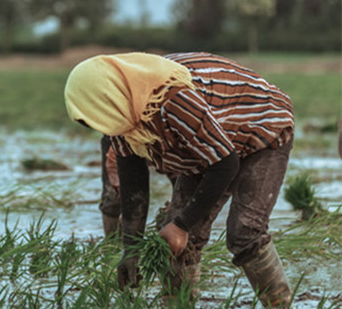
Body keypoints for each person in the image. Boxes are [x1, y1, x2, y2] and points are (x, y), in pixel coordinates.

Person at [64, 52, 294, 307]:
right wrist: (131, 248)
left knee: (244, 231)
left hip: (261, 131)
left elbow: (225, 163)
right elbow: (134, 184)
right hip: (211, 147)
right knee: (173, 237)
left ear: (109, 98)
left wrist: (182, 226)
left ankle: (280, 305)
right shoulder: (124, 116)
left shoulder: (172, 100)